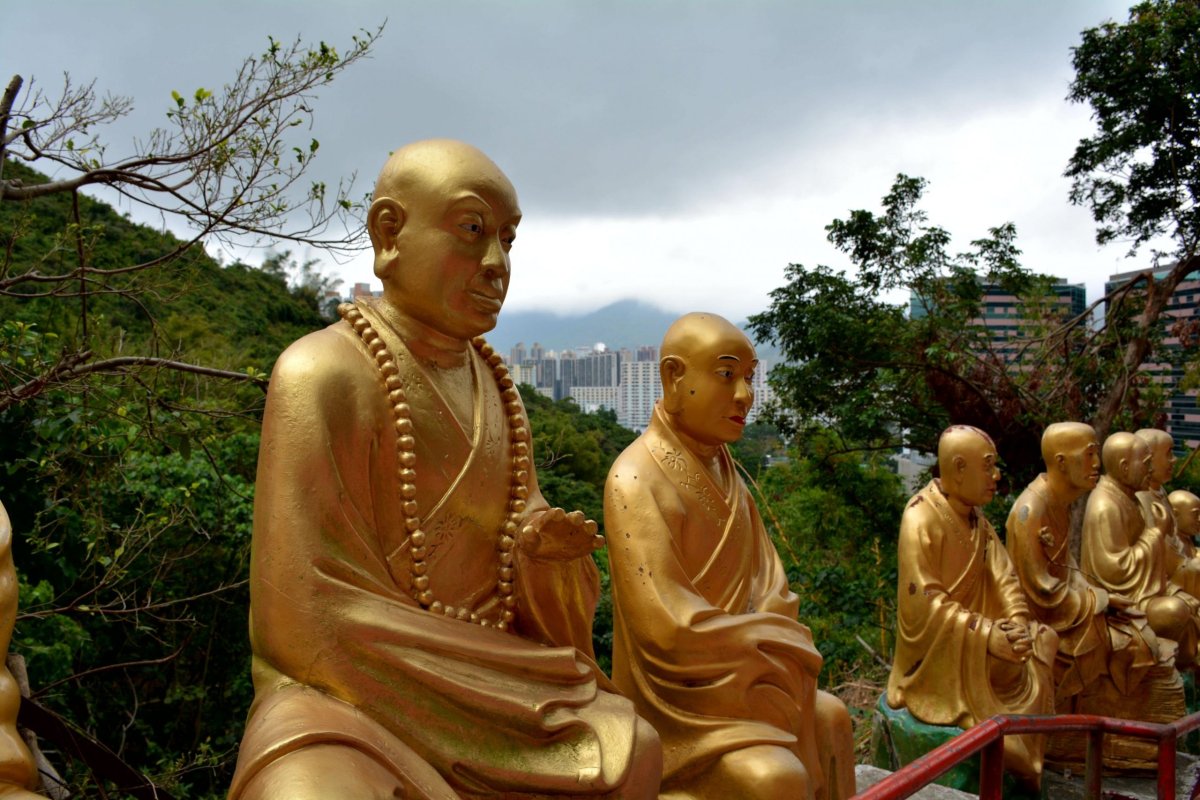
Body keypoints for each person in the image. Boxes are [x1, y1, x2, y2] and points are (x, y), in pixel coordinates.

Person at [229, 140, 661, 799]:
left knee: (628, 745)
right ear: (390, 233)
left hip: (492, 682)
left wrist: (544, 557)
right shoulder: (323, 373)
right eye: (472, 230)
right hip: (347, 696)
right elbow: (298, 617)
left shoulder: (496, 388)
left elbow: (519, 545)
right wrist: (468, 679)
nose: (496, 265)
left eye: (508, 241)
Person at [604, 312, 854, 800]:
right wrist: (770, 642)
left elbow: (772, 588)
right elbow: (667, 626)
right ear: (674, 377)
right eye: (726, 375)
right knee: (773, 777)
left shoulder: (725, 469)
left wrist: (770, 640)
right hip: (681, 704)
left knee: (833, 719)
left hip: (751, 675)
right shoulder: (635, 478)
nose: (744, 395)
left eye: (749, 378)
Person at [887, 425, 1056, 789]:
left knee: (1044, 639)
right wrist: (987, 635)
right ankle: (1016, 751)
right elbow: (924, 603)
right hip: (941, 656)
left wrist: (1017, 623)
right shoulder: (920, 516)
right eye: (988, 466)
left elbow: (1005, 577)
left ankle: (1028, 747)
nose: (996, 476)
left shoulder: (979, 522)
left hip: (983, 643)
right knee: (1006, 658)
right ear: (959, 468)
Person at [1005, 423, 1155, 709]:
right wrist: (1098, 600)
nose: (1097, 464)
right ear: (1061, 462)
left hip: (1073, 611)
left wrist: (1098, 595)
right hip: (1047, 624)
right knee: (1129, 643)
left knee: (1136, 628)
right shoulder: (1030, 511)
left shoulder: (1062, 502)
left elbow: (1067, 568)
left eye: (1096, 454)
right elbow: (1041, 591)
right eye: (1089, 455)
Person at [1082, 432, 1199, 667]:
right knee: (1175, 611)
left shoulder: (1130, 496)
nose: (1150, 471)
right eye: (1146, 464)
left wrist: (1173, 587)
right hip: (1119, 606)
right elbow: (1117, 570)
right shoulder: (1106, 506)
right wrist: (1157, 533)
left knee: (1183, 604)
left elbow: (1160, 562)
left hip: (1146, 591)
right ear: (1125, 467)